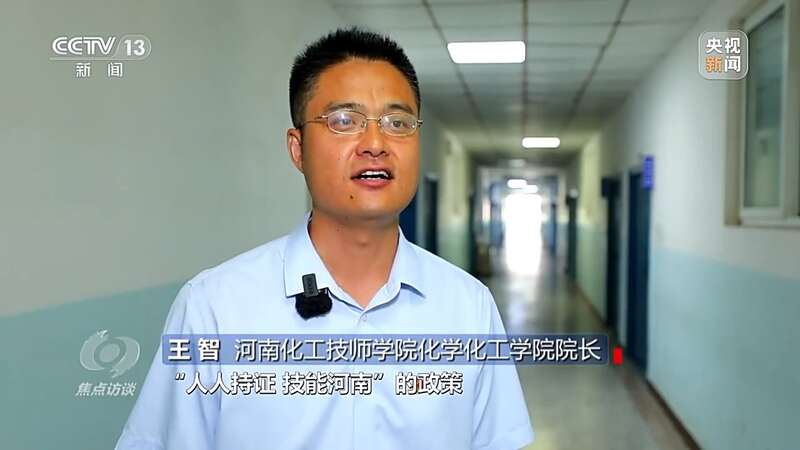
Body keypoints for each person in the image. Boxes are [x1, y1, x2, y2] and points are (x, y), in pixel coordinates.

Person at [115, 27, 534, 450]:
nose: (375, 143)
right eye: (344, 121)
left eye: (397, 122)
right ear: (298, 149)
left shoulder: (468, 307)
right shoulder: (215, 309)